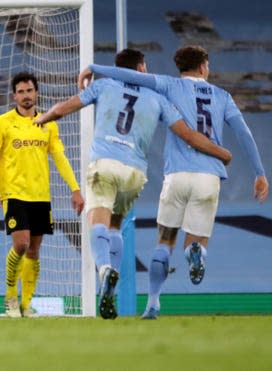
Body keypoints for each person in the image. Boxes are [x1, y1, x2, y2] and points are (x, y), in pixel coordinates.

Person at [35, 49, 232, 319]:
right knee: (116, 225)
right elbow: (189, 135)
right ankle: (113, 289)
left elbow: (65, 107)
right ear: (140, 68)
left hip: (104, 163)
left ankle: (106, 270)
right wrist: (221, 153)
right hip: (134, 172)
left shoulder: (103, 85)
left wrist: (42, 118)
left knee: (98, 222)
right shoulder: (158, 97)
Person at [80, 45, 269, 319]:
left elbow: (130, 77)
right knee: (195, 240)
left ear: (180, 67)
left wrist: (94, 68)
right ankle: (197, 251)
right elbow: (244, 133)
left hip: (176, 177)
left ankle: (153, 304)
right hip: (209, 177)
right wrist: (259, 172)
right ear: (203, 66)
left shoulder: (168, 85)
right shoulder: (222, 96)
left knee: (164, 240)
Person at [0, 71, 85, 318]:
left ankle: (26, 304)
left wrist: (75, 189)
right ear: (14, 95)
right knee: (21, 244)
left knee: (34, 251)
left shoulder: (49, 123)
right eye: (21, 92)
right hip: (14, 194)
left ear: (36, 93)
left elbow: (60, 158)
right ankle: (10, 297)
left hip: (41, 196)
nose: (26, 96)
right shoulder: (3, 122)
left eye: (29, 91)